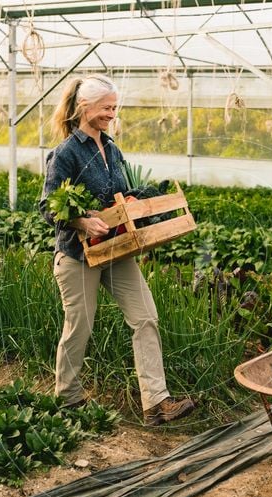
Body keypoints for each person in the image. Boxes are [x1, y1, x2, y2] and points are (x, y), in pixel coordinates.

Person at [39, 73, 194, 426]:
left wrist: (145, 202)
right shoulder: (65, 153)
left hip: (116, 249)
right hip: (79, 255)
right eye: (107, 107)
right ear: (85, 107)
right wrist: (81, 221)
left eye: (114, 107)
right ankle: (68, 398)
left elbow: (119, 198)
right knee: (80, 325)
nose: (112, 113)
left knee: (146, 317)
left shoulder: (112, 149)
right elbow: (48, 205)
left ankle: (156, 403)